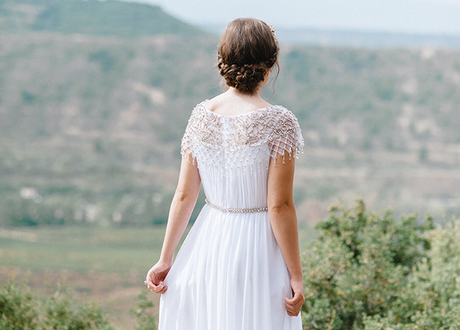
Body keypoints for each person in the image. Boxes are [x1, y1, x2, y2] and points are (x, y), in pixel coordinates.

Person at [145, 17, 305, 330]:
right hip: (258, 248)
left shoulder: (201, 115)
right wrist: (296, 275)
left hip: (208, 241)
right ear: (270, 64)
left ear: (223, 60)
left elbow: (184, 193)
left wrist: (166, 259)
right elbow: (279, 206)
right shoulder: (280, 122)